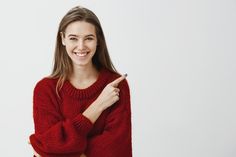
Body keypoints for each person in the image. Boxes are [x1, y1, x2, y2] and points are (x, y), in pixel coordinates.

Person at [28, 6, 132, 157]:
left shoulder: (116, 85)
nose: (81, 46)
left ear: (98, 40)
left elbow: (117, 149)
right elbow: (49, 145)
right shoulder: (45, 89)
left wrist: (59, 150)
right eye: (73, 38)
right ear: (63, 39)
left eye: (89, 38)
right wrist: (98, 105)